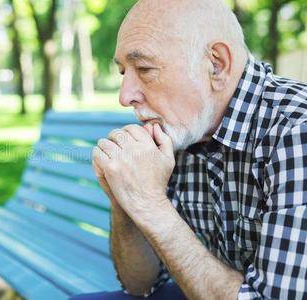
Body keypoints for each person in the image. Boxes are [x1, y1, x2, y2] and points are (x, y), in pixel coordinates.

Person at [71, 0, 307, 299]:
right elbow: (140, 285)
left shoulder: (296, 132)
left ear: (216, 64)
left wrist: (151, 204)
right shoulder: (184, 127)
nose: (125, 96)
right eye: (123, 72)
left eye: (144, 68)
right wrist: (126, 198)